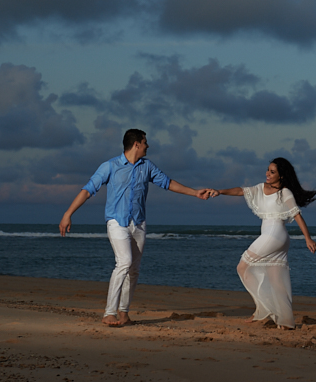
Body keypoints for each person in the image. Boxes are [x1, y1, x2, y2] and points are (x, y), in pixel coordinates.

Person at [59, 128, 211, 327]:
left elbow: (167, 183)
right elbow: (88, 190)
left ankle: (123, 312)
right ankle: (109, 313)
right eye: (145, 142)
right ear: (136, 144)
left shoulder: (147, 166)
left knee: (134, 270)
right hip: (116, 222)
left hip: (138, 223)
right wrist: (67, 214)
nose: (148, 145)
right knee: (124, 262)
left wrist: (195, 193)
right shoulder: (110, 166)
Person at [205, 158, 316, 329]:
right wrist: (220, 191)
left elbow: (297, 215)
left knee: (242, 267)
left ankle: (264, 309)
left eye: (272, 172)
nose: (268, 173)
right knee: (276, 279)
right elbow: (240, 191)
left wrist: (308, 238)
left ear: (281, 175)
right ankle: (285, 321)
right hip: (274, 236)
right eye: (268, 170)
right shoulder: (260, 188)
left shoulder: (285, 192)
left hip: (275, 235)